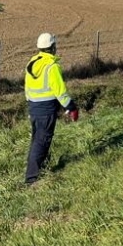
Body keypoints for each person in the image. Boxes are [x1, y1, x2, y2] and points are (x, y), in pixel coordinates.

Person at [24, 33, 78, 185]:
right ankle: (32, 178)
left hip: (34, 107)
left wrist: (30, 104)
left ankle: (43, 167)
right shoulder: (52, 66)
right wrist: (71, 107)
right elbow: (60, 91)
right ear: (53, 47)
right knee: (42, 141)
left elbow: (27, 88)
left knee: (37, 140)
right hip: (46, 109)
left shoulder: (32, 63)